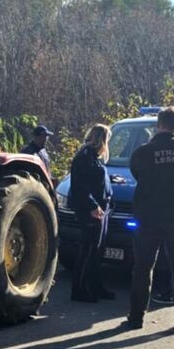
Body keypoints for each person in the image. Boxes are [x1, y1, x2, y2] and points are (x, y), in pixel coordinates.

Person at [127, 107, 174, 331]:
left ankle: (136, 318)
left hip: (148, 218)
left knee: (142, 268)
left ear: (157, 126)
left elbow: (137, 174)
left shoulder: (142, 152)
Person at [68, 124, 113, 302]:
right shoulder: (84, 157)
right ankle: (79, 290)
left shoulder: (94, 158)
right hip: (91, 212)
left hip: (102, 210)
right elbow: (79, 186)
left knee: (97, 251)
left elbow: (96, 179)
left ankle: (95, 286)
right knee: (87, 251)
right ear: (101, 139)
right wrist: (92, 206)